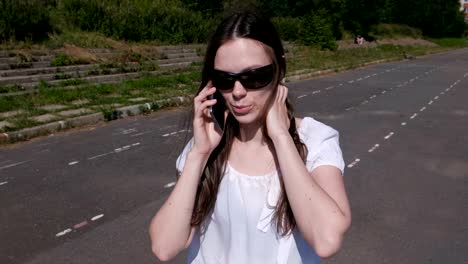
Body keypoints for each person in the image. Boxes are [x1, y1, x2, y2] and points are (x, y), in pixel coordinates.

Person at [149, 11, 351, 263]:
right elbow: (164, 247)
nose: (237, 92)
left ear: (279, 68)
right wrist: (198, 155)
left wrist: (281, 137)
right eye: (225, 79)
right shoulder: (207, 146)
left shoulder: (314, 139)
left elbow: (326, 240)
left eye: (254, 77)